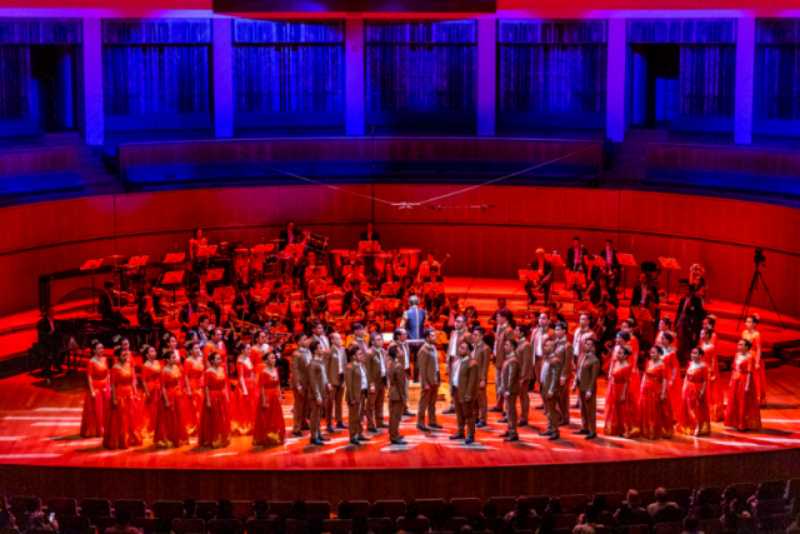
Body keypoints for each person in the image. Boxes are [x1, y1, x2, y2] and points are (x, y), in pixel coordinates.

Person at [103, 348, 142, 450]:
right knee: (121, 418)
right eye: (123, 355)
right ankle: (121, 440)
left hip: (129, 393)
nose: (126, 357)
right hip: (120, 394)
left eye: (126, 355)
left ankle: (131, 438)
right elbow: (113, 385)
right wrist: (114, 398)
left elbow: (132, 380)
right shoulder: (115, 368)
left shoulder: (129, 365)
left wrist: (134, 393)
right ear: (118, 357)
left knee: (131, 416)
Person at [154, 349, 190, 448]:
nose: (175, 359)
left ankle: (177, 437)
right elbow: (163, 388)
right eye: (173, 357)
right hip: (169, 396)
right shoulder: (164, 371)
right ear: (167, 360)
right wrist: (166, 400)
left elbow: (179, 381)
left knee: (178, 417)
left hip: (177, 395)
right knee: (168, 419)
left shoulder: (176, 367)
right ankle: (168, 438)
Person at [724, 339, 762, 432]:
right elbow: (734, 368)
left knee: (743, 401)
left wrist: (747, 385)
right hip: (735, 379)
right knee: (734, 399)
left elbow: (749, 372)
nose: (739, 346)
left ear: (747, 347)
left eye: (741, 345)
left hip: (744, 380)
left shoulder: (750, 357)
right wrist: (731, 380)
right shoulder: (737, 355)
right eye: (738, 344)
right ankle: (734, 421)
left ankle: (743, 423)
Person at [638, 346, 674, 440]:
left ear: (659, 353)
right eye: (651, 353)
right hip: (646, 389)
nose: (651, 354)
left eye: (654, 353)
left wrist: (663, 393)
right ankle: (646, 430)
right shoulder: (649, 362)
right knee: (646, 409)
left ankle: (655, 430)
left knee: (655, 410)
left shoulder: (662, 365)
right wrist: (642, 386)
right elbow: (645, 375)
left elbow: (665, 380)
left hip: (656, 389)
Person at [252, 350, 285, 448]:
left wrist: (280, 396)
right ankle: (266, 437)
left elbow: (278, 384)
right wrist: (264, 400)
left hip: (275, 396)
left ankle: (275, 435)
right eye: (271, 358)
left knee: (276, 417)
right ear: (266, 361)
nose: (274, 360)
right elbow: (261, 387)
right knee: (267, 418)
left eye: (274, 358)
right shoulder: (263, 372)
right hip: (267, 396)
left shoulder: (275, 370)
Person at [198, 352, 231, 448]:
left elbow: (224, 384)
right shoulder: (208, 372)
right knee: (213, 418)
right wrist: (208, 400)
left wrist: (226, 395)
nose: (220, 361)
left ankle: (221, 437)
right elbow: (206, 387)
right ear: (212, 361)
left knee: (222, 417)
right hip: (212, 396)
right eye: (217, 359)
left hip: (221, 396)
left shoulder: (222, 369)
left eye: (220, 359)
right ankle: (213, 438)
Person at [677, 347, 711, 436]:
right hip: (688, 388)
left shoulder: (704, 366)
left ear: (700, 355)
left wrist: (702, 391)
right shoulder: (690, 363)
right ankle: (689, 425)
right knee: (687, 407)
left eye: (695, 353)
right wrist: (684, 387)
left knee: (695, 409)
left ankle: (698, 426)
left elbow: (705, 381)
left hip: (697, 389)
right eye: (692, 353)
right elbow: (686, 377)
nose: (693, 355)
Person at [604, 346, 637, 438]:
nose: (618, 355)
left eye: (621, 353)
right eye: (618, 353)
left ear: (626, 356)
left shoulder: (627, 366)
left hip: (622, 388)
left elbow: (627, 381)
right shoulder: (616, 362)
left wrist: (623, 394)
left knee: (622, 410)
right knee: (613, 408)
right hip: (613, 388)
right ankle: (615, 428)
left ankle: (624, 430)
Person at [80, 340, 109, 438]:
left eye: (102, 348)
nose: (101, 350)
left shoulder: (105, 359)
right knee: (97, 410)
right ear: (94, 350)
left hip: (105, 387)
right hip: (96, 388)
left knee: (106, 409)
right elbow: (89, 377)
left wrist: (108, 386)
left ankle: (106, 428)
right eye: (99, 348)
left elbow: (107, 373)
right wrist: (92, 390)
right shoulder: (91, 362)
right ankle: (97, 430)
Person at [573, 337, 600, 439]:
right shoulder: (582, 356)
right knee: (582, 408)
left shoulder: (595, 360)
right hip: (581, 386)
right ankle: (585, 427)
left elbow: (593, 378)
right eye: (586, 344)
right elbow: (578, 371)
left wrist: (590, 390)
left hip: (588, 388)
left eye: (589, 344)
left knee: (590, 410)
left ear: (593, 347)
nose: (587, 346)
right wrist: (575, 382)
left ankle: (592, 431)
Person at [444, 315, 469, 415]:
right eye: (456, 321)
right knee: (452, 384)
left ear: (464, 323)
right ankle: (453, 404)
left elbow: (469, 350)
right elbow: (450, 347)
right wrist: (447, 361)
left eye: (459, 321)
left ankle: (461, 405)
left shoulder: (467, 335)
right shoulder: (453, 333)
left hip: (460, 360)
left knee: (460, 383)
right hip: (452, 360)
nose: (456, 323)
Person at [417, 329, 441, 431]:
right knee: (424, 402)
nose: (435, 337)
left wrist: (438, 378)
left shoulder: (434, 348)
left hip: (435, 379)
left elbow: (436, 365)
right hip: (428, 380)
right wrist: (425, 382)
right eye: (432, 336)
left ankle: (432, 421)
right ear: (427, 338)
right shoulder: (423, 350)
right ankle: (420, 422)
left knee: (432, 402)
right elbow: (422, 369)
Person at [307, 340, 330, 446]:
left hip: (322, 391)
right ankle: (313, 436)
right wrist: (317, 395)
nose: (322, 349)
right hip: (316, 394)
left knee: (319, 415)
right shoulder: (312, 364)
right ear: (315, 351)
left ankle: (318, 433)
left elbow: (323, 376)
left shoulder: (320, 361)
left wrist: (327, 383)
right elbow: (313, 381)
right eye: (320, 348)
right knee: (315, 416)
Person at [345, 347, 369, 445]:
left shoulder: (362, 365)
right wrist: (351, 398)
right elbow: (349, 384)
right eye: (359, 354)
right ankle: (353, 436)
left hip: (362, 393)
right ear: (353, 356)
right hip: (354, 395)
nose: (362, 356)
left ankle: (359, 433)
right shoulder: (350, 367)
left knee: (360, 416)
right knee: (353, 417)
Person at [698, 326, 723, 422]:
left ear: (708, 335)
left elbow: (713, 360)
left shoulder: (711, 346)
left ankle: (710, 412)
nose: (701, 335)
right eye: (701, 334)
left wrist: (712, 372)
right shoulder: (702, 344)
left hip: (708, 370)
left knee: (709, 391)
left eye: (703, 334)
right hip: (702, 368)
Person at [540, 338, 563, 440]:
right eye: (545, 345)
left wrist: (551, 390)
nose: (546, 347)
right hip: (544, 387)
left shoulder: (555, 360)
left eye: (548, 346)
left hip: (550, 389)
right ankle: (550, 428)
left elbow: (555, 377)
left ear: (553, 347)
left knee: (552, 411)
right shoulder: (546, 358)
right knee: (548, 411)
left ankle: (555, 431)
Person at [491, 310, 513, 412]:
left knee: (504, 384)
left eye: (498, 317)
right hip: (498, 359)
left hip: (504, 361)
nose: (496, 319)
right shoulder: (500, 328)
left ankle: (506, 409)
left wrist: (507, 361)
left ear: (505, 318)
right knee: (498, 383)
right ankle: (499, 404)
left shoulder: (508, 330)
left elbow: (510, 347)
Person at [232, 345, 257, 435]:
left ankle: (252, 425)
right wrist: (245, 390)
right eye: (247, 349)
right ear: (242, 350)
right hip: (245, 385)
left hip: (252, 384)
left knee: (252, 405)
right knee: (245, 407)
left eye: (250, 348)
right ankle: (245, 426)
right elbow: (241, 377)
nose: (250, 350)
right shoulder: (240, 361)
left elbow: (252, 372)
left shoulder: (248, 358)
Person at [742, 314, 766, 405]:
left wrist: (757, 362)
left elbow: (759, 348)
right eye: (746, 321)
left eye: (750, 322)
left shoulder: (757, 334)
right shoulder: (744, 333)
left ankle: (757, 398)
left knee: (755, 379)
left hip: (753, 357)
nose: (747, 323)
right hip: (746, 357)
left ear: (754, 324)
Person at [552, 322, 573, 426]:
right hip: (555, 373)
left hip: (562, 375)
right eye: (556, 329)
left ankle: (565, 418)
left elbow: (568, 362)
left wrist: (564, 376)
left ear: (564, 331)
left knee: (563, 398)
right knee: (556, 396)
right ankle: (559, 416)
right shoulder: (555, 343)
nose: (557, 331)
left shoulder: (567, 345)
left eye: (559, 329)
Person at [499, 338, 520, 442]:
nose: (504, 347)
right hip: (507, 389)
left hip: (510, 390)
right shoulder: (509, 358)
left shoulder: (513, 360)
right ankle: (510, 429)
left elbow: (512, 377)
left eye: (506, 345)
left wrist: (508, 389)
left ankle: (513, 432)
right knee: (508, 411)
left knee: (511, 411)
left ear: (512, 347)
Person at [291, 334, 312, 437]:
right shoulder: (296, 354)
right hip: (300, 382)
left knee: (305, 404)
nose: (307, 341)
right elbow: (295, 370)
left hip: (308, 381)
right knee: (299, 406)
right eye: (304, 339)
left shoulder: (308, 351)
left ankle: (303, 422)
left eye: (306, 339)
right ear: (299, 342)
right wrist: (298, 384)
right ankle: (296, 427)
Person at [401, 295, 426, 380]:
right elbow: (425, 325)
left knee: (406, 359)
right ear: (418, 303)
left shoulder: (406, 312)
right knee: (417, 359)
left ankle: (407, 378)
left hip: (409, 340)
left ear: (409, 303)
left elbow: (401, 327)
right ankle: (416, 379)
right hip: (421, 340)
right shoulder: (423, 312)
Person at [326, 332, 347, 432]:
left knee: (339, 402)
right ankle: (329, 423)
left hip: (341, 378)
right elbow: (325, 368)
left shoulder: (343, 350)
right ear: (332, 340)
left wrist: (345, 379)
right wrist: (327, 382)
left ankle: (339, 421)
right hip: (332, 379)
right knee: (330, 403)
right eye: (337, 339)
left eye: (340, 338)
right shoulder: (329, 351)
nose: (340, 340)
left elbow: (345, 364)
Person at [140, 345, 162, 439]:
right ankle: (152, 428)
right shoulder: (145, 365)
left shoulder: (158, 362)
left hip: (159, 386)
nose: (154, 353)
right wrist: (147, 392)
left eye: (154, 351)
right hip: (151, 388)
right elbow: (143, 380)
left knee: (159, 408)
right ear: (147, 355)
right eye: (151, 351)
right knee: (152, 409)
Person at [367, 332, 387, 431]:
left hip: (382, 380)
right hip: (373, 382)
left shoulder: (383, 351)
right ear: (372, 341)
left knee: (380, 402)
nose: (381, 341)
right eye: (378, 340)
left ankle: (380, 422)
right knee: (371, 404)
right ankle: (370, 424)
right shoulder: (369, 353)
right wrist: (370, 383)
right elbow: (367, 370)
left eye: (381, 339)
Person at [183, 342, 204, 435]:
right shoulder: (188, 361)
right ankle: (195, 427)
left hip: (201, 384)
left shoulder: (200, 359)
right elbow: (186, 376)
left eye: (198, 348)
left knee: (201, 406)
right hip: (193, 385)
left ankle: (202, 426)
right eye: (195, 348)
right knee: (194, 407)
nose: (198, 350)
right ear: (191, 351)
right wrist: (188, 389)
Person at [387, 348, 407, 445]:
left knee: (392, 416)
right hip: (397, 394)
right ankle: (394, 437)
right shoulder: (398, 366)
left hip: (392, 392)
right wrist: (403, 396)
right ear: (396, 353)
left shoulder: (390, 363)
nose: (402, 352)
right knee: (396, 417)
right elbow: (401, 383)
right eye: (400, 350)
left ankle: (393, 434)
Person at [471, 327, 490, 427]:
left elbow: (485, 366)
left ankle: (483, 419)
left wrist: (483, 379)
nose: (474, 337)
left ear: (481, 336)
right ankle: (475, 417)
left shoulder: (485, 348)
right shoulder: (473, 346)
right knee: (474, 399)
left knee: (481, 400)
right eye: (473, 334)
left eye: (476, 335)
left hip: (479, 377)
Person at [515, 325, 533, 426]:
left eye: (517, 330)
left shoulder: (526, 345)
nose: (515, 331)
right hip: (519, 374)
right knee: (521, 396)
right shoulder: (519, 343)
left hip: (523, 375)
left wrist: (523, 376)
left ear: (522, 333)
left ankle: (524, 417)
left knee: (523, 396)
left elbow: (526, 362)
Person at [566, 236, 589, 301]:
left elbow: (586, 259)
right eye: (574, 242)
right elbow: (569, 260)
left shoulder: (584, 250)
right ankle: (577, 295)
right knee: (573, 283)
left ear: (579, 242)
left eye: (577, 242)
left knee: (580, 284)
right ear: (573, 242)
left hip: (580, 267)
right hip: (573, 267)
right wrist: (569, 268)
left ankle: (580, 295)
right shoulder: (570, 250)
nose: (576, 243)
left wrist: (583, 266)